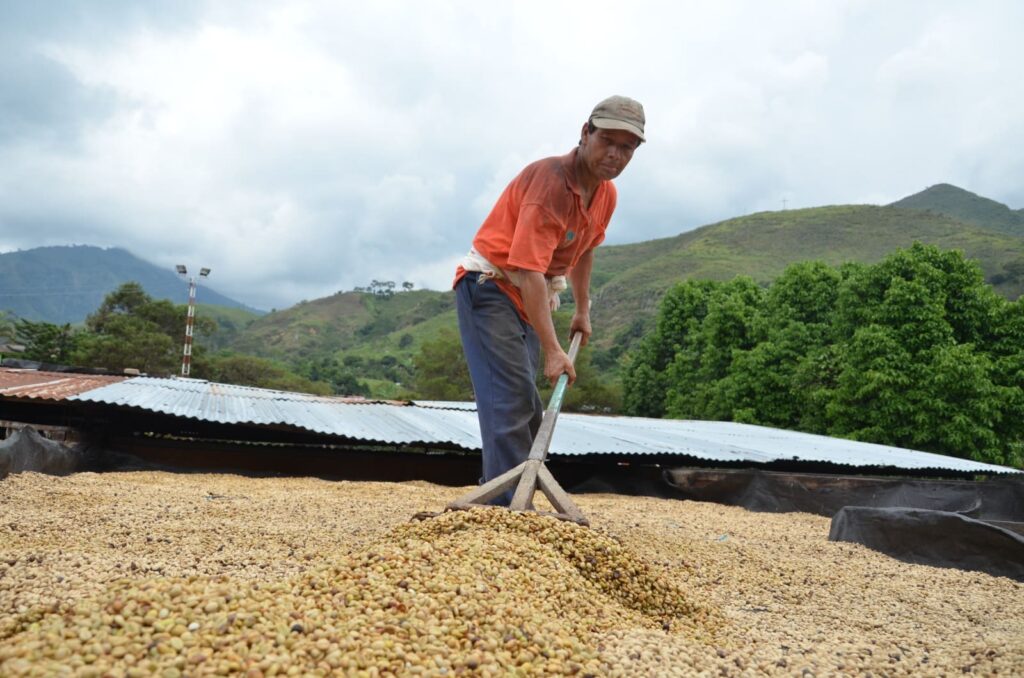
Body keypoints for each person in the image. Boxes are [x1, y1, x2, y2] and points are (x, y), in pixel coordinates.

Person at [452, 95, 645, 504]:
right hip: (491, 286)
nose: (615, 154)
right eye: (607, 140)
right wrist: (554, 350)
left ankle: (507, 500)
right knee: (511, 400)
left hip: (528, 293)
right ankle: (502, 511)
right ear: (585, 133)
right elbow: (527, 270)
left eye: (627, 147)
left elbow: (585, 248)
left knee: (528, 408)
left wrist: (582, 309)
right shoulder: (550, 184)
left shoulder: (605, 194)